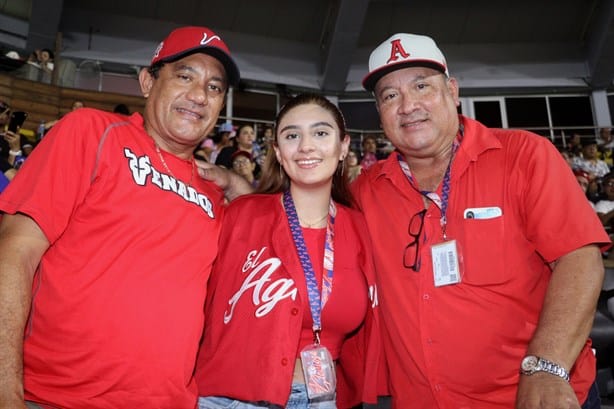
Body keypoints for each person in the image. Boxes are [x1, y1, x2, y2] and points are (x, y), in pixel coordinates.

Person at [352, 32, 610, 409]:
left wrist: (546, 366)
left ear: (453, 91)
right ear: (380, 113)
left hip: (534, 397)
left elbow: (579, 259)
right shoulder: (365, 191)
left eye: (422, 85)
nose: (408, 105)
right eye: (390, 96)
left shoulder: (524, 156)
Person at [0, 25, 240, 409]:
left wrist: (238, 183)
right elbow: (15, 252)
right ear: (147, 82)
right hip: (54, 398)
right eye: (184, 76)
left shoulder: (215, 191)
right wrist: (5, 393)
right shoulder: (91, 131)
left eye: (215, 87)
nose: (199, 95)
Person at [194, 94, 381, 409]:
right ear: (279, 153)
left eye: (321, 133)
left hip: (323, 399)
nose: (306, 146)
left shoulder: (360, 228)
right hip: (232, 399)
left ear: (344, 147)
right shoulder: (242, 215)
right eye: (292, 135)